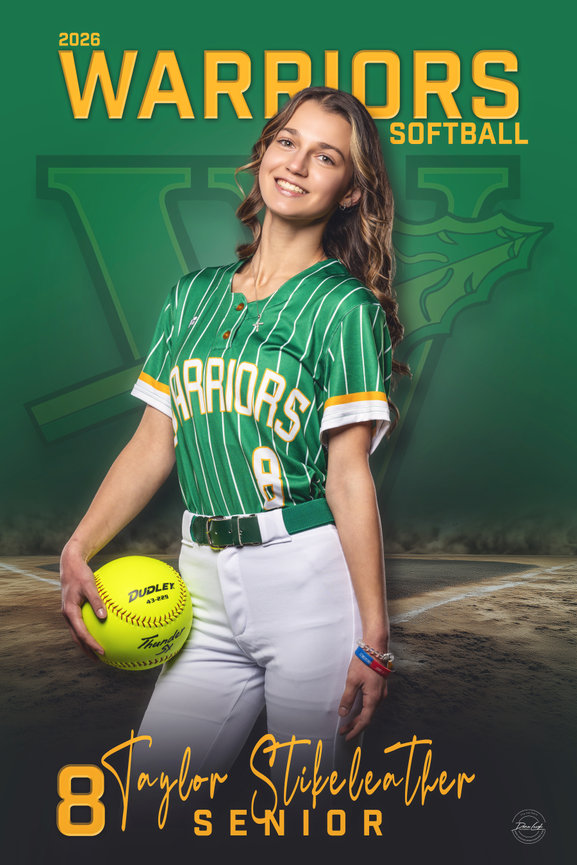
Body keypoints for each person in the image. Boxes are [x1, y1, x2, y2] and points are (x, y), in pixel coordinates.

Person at [60, 86, 408, 790]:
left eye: (326, 156)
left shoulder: (344, 309)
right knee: (157, 793)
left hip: (304, 577)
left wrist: (372, 637)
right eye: (287, 141)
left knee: (302, 806)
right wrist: (78, 545)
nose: (298, 164)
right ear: (261, 155)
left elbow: (347, 477)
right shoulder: (191, 295)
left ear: (348, 191)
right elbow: (154, 441)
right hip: (200, 580)